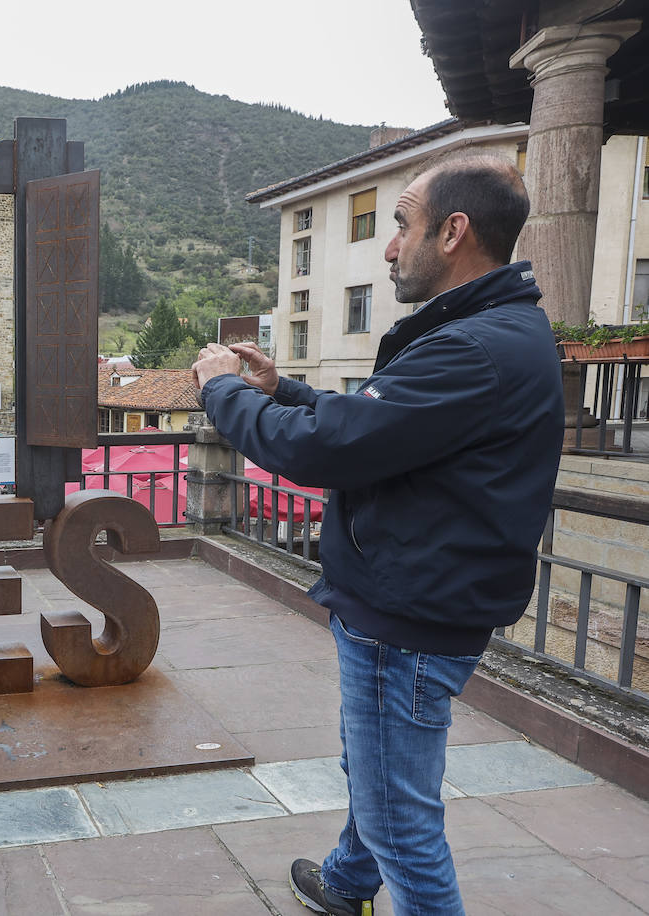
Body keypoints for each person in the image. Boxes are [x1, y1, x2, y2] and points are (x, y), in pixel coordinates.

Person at [192, 155, 563, 916]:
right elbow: (380, 427)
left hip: (411, 614)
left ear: (454, 232)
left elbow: (322, 448)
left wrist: (220, 390)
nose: (391, 247)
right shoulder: (486, 333)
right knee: (379, 772)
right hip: (414, 597)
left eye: (400, 223)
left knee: (400, 817)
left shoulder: (472, 347)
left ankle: (369, 881)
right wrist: (284, 390)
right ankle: (347, 885)